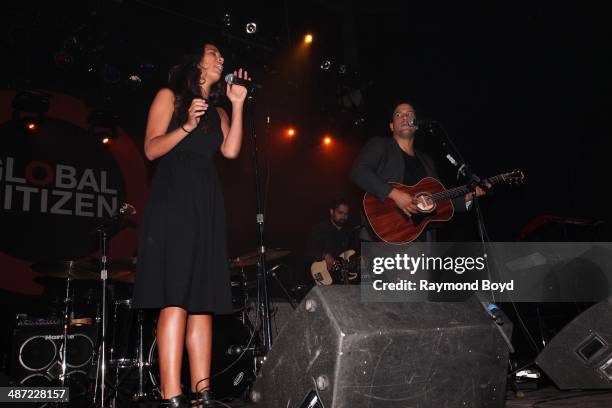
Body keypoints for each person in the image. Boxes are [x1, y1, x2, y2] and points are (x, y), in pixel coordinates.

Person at [132, 42, 250, 407]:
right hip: (175, 200)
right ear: (195, 62)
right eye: (214, 53)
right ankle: (172, 394)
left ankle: (203, 392)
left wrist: (238, 103)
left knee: (203, 300)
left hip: (207, 202)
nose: (221, 59)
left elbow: (230, 151)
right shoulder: (170, 96)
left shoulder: (218, 111)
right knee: (176, 296)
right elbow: (151, 149)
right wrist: (185, 126)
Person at [351, 101, 487, 242]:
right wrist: (394, 194)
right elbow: (359, 171)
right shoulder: (380, 145)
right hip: (386, 233)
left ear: (416, 125)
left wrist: (466, 198)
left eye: (409, 114)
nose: (404, 117)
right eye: (399, 115)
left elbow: (437, 199)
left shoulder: (427, 161)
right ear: (391, 126)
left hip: (421, 239)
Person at [303, 198, 358, 284]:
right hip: (322, 276)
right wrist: (324, 255)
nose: (343, 217)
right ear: (332, 211)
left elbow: (351, 256)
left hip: (344, 279)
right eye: (340, 213)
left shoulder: (350, 231)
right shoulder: (319, 229)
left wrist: (359, 263)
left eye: (346, 214)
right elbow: (307, 253)